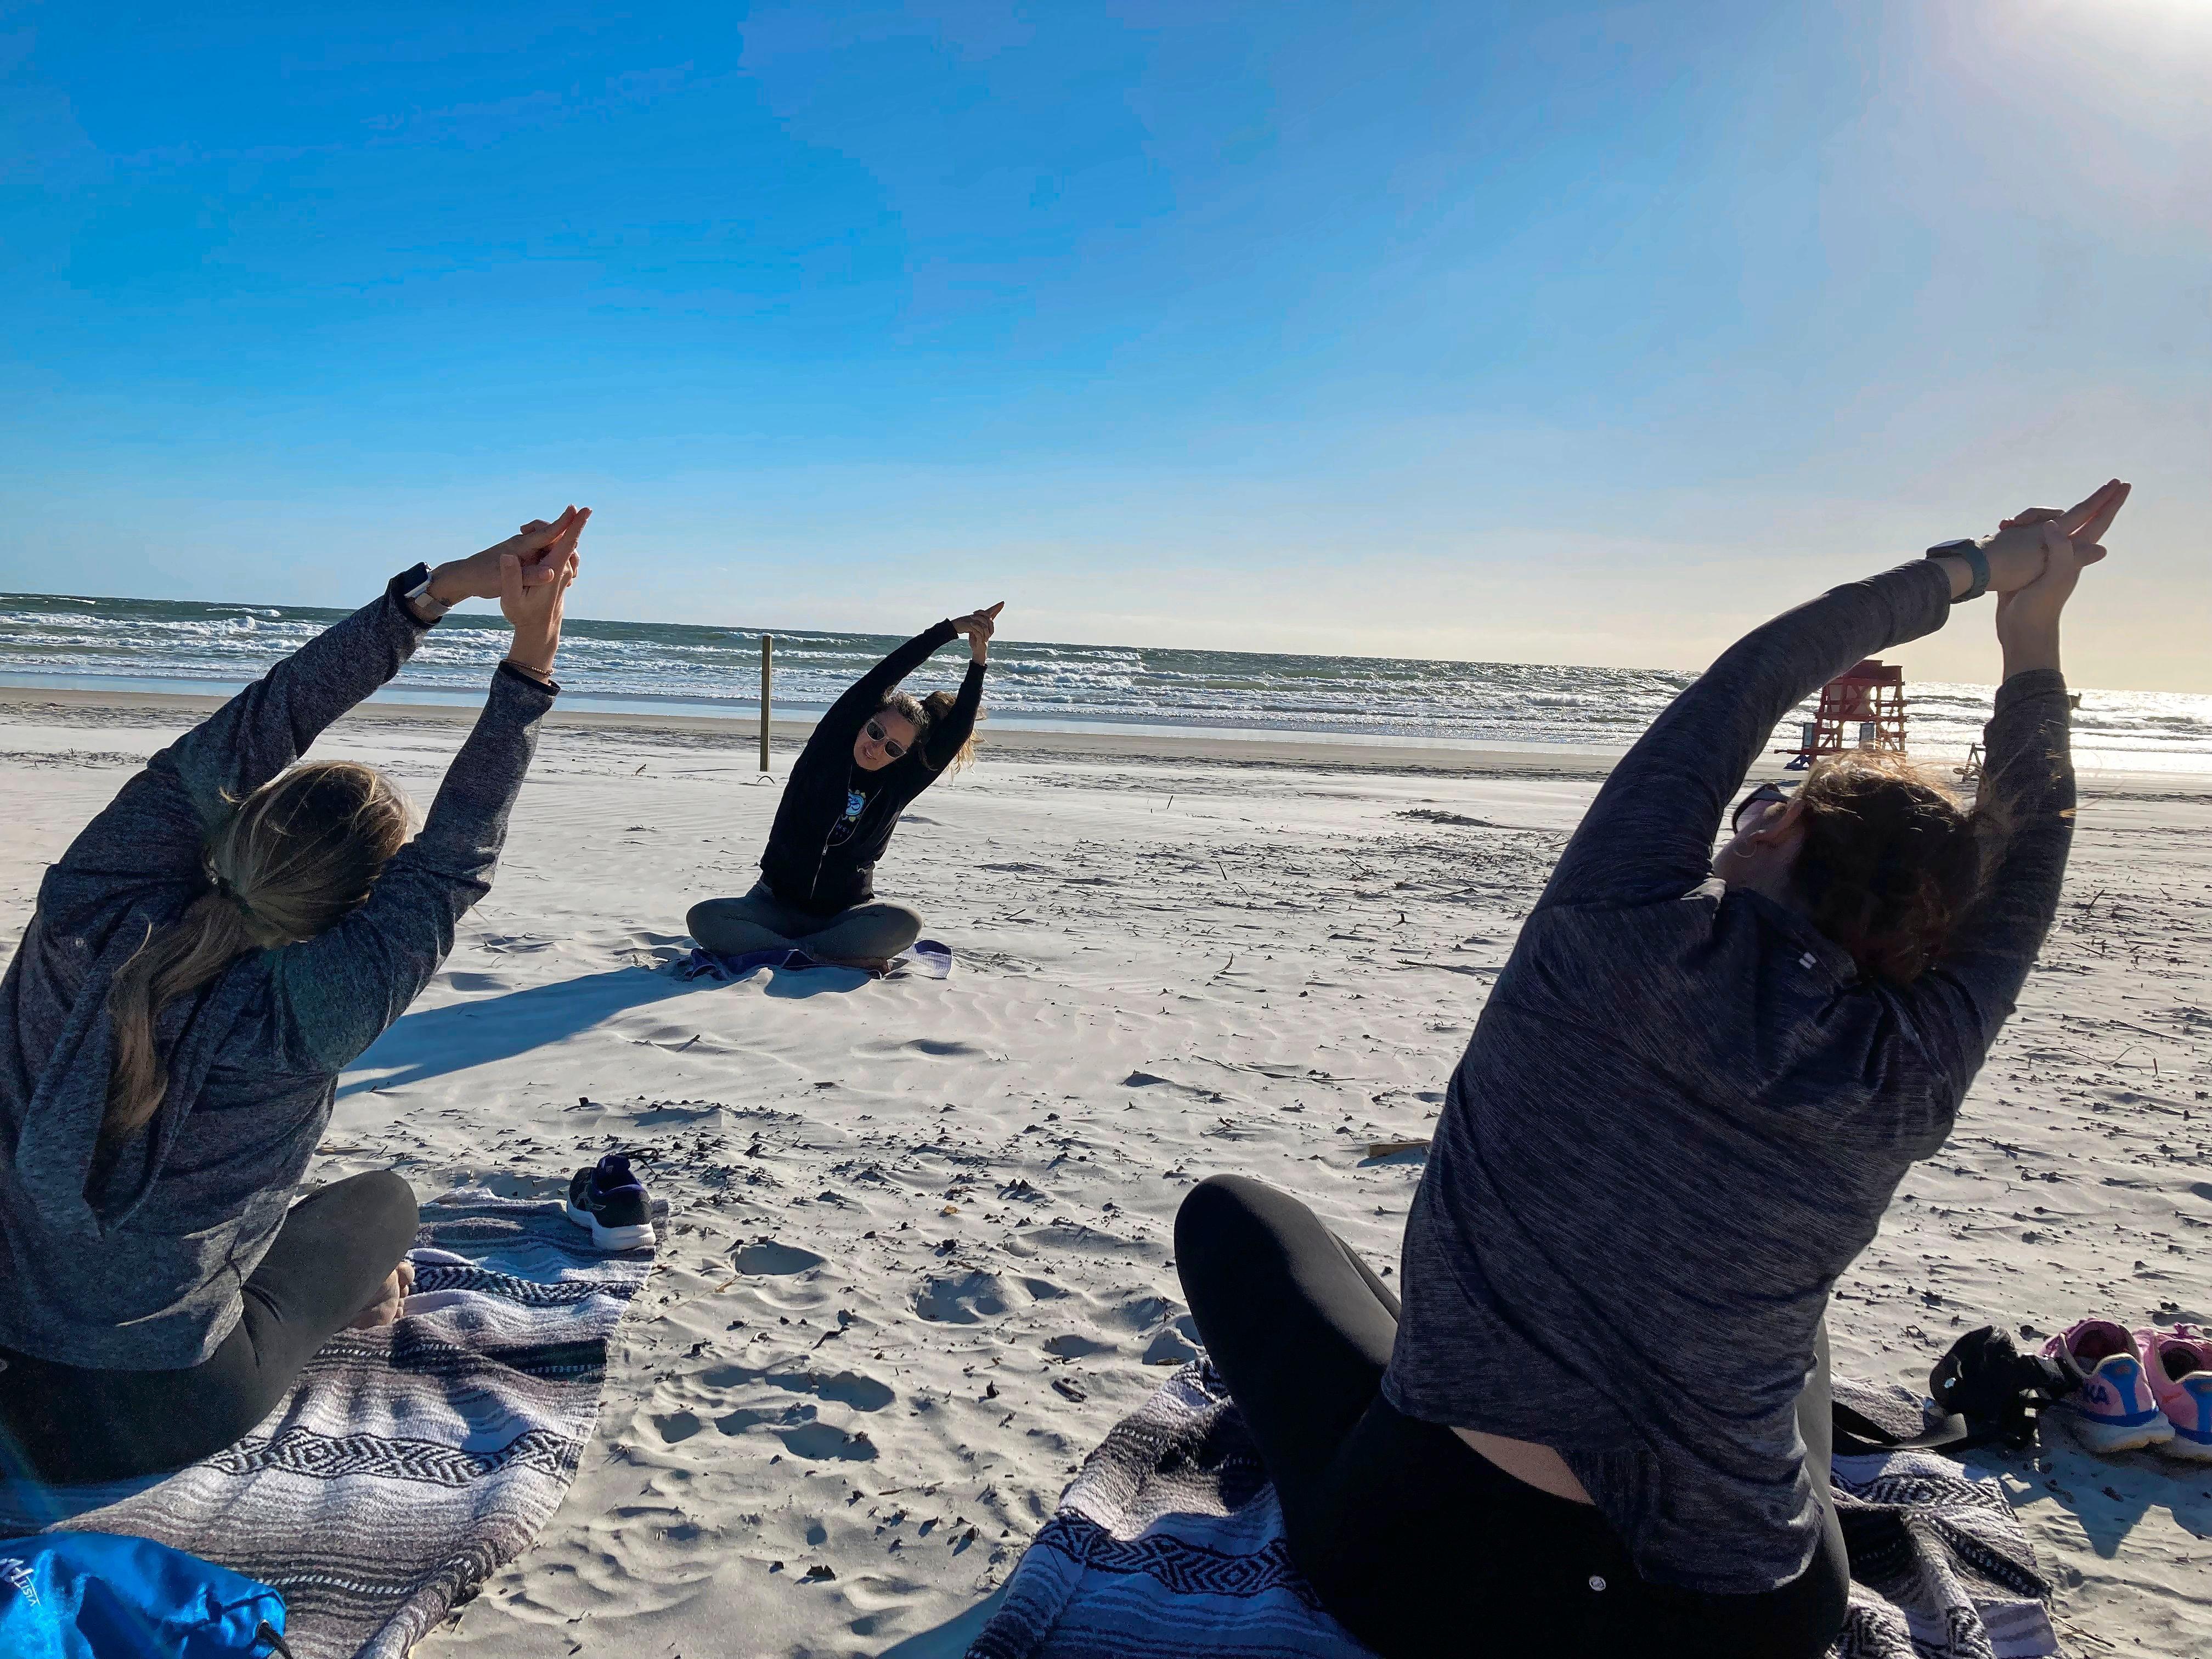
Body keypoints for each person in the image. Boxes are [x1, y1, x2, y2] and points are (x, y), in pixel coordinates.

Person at [1175, 481, 2128, 1657]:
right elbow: (2039, 835)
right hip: (1749, 1619)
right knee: (1797, 1335)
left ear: (1774, 834)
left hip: (1439, 1572)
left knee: (1233, 1219)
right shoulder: (1919, 1059)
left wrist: (1985, 573)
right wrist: (2035, 646)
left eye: (1772, 801)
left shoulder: (1614, 921)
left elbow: (1758, 671)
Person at [0, 507, 590, 1485]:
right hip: (148, 1411)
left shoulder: (89, 902)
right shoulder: (319, 1004)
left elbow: (264, 716)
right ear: (357, 906)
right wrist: (531, 660)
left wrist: (435, 592)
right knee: (382, 1204)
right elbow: (458, 852)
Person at [686, 603, 1001, 970]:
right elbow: (884, 674)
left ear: (904, 756)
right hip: (772, 906)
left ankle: (787, 954)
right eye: (876, 731)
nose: (877, 746)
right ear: (863, 721)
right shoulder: (826, 751)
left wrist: (979, 661)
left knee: (905, 923)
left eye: (893, 748)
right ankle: (821, 956)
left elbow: (955, 731)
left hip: (843, 916)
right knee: (705, 918)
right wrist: (949, 630)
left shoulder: (900, 783)